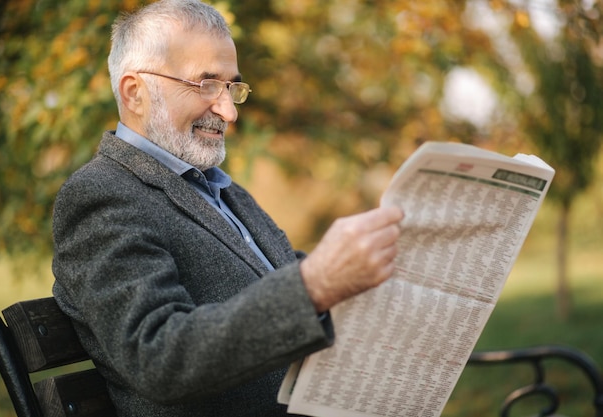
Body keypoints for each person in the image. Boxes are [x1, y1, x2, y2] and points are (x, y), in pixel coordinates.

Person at [51, 0, 404, 416]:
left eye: (232, 87)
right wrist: (315, 286)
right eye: (206, 85)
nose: (228, 111)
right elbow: (159, 357)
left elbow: (281, 277)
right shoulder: (101, 195)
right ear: (135, 92)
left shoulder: (221, 190)